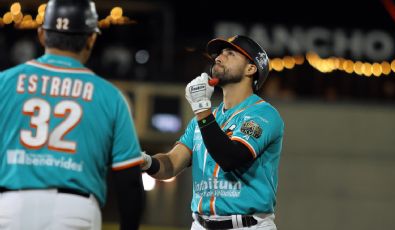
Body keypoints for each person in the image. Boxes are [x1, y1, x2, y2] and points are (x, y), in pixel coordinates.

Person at [0, 0, 145, 229]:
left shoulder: (4, 83)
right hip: (75, 211)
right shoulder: (111, 96)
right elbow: (129, 182)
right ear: (91, 38)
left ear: (41, 35)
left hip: (9, 207)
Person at [142, 35, 285, 229]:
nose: (218, 57)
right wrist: (147, 162)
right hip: (201, 224)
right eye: (219, 54)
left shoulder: (264, 114)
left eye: (230, 53)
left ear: (251, 68)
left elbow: (230, 158)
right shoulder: (203, 119)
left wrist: (202, 108)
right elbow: (171, 164)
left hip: (247, 225)